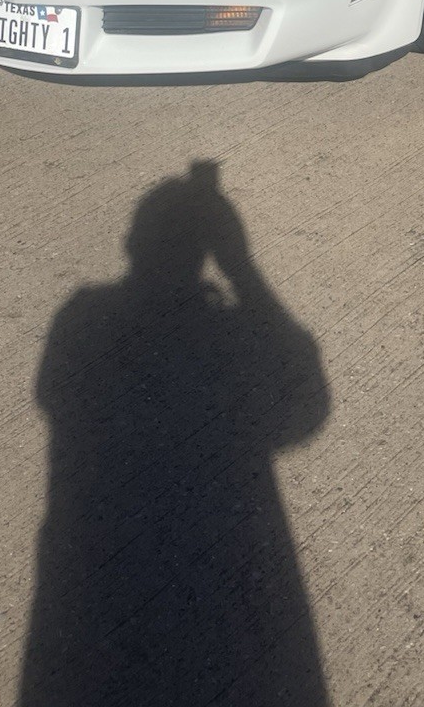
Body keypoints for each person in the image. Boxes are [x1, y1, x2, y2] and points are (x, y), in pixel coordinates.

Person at [18, 161, 331, 706]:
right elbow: (307, 402)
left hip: (96, 586)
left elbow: (51, 393)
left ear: (130, 244)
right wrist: (243, 269)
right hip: (221, 595)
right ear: (208, 254)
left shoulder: (83, 321)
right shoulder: (230, 339)